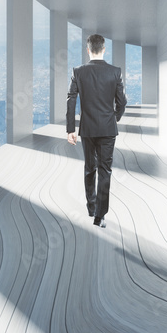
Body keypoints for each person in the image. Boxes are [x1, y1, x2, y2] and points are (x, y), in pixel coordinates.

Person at [67, 34, 127, 228]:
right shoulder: (115, 72)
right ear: (104, 49)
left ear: (88, 50)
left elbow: (71, 100)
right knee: (105, 170)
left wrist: (70, 129)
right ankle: (100, 216)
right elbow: (122, 102)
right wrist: (115, 117)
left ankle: (91, 206)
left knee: (89, 167)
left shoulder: (78, 72)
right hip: (108, 128)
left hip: (88, 129)